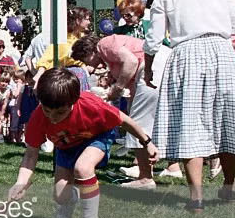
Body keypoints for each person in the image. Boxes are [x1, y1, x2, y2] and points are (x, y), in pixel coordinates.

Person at [143, 0, 235, 211]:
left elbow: (152, 41)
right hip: (222, 53)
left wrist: (149, 69)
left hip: (187, 55)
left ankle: (196, 197)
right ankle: (228, 186)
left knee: (190, 123)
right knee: (226, 119)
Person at [8, 68, 158, 218]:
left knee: (83, 168)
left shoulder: (91, 105)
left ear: (73, 102)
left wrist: (146, 142)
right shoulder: (38, 118)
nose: (53, 119)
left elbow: (124, 120)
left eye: (60, 112)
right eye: (48, 111)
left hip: (97, 137)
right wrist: (21, 183)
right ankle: (71, 200)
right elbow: (31, 155)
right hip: (65, 148)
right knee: (60, 196)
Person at [70, 33, 182, 188]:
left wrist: (117, 87)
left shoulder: (104, 44)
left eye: (85, 60)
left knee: (138, 124)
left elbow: (131, 62)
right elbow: (132, 81)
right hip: (164, 65)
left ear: (89, 52)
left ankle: (145, 178)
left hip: (155, 67)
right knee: (149, 119)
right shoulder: (110, 57)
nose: (91, 67)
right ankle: (169, 168)